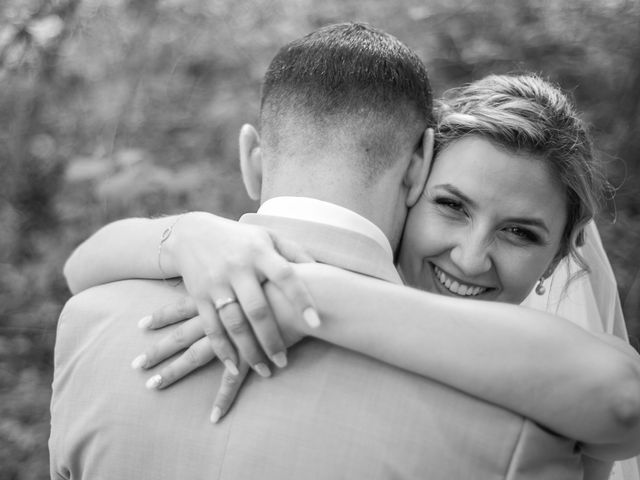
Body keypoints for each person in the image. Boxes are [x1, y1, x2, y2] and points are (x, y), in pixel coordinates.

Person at [50, 23, 633, 479]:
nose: (472, 256)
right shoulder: (524, 427)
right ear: (416, 177)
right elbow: (81, 265)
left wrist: (301, 293)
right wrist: (190, 234)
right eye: (452, 206)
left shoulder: (90, 323)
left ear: (562, 256)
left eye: (520, 232)